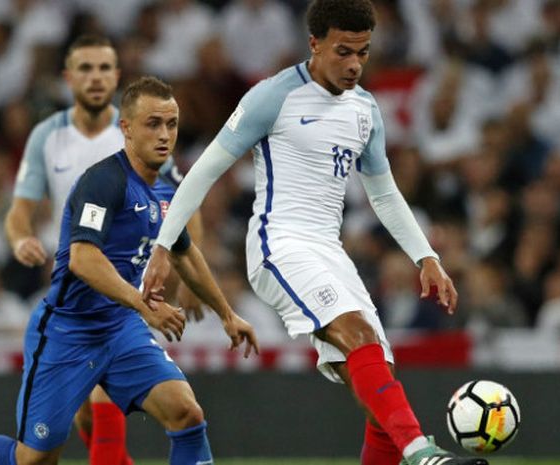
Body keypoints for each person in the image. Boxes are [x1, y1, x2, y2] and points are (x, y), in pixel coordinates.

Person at [142, 1, 486, 465]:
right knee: (361, 339)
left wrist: (427, 257)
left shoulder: (365, 109)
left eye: (363, 53)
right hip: (278, 244)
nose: (354, 65)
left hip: (329, 250)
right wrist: (164, 245)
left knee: (378, 384)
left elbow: (384, 195)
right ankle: (422, 452)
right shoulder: (273, 95)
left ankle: (406, 446)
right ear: (315, 44)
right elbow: (202, 172)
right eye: (343, 52)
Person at [0, 76, 259, 465]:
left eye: (171, 124)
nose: (165, 134)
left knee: (187, 414)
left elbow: (185, 254)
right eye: (153, 123)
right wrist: (142, 304)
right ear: (126, 128)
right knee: (33, 459)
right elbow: (82, 258)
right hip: (68, 331)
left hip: (121, 329)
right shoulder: (104, 181)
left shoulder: (168, 191)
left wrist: (227, 314)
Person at [3, 34, 203, 465]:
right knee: (66, 435)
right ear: (68, 77)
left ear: (116, 76)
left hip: (121, 294)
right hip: (70, 285)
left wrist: (189, 279)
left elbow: (182, 201)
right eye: (86, 68)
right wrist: (21, 238)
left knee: (109, 402)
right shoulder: (47, 137)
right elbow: (18, 211)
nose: (95, 78)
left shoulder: (146, 128)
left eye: (104, 68)